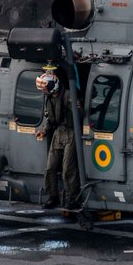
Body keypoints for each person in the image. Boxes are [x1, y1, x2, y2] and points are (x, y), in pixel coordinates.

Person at [35, 70, 79, 209]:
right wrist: (44, 131)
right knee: (50, 167)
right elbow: (51, 119)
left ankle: (72, 198)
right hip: (58, 133)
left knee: (68, 169)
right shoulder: (49, 98)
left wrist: (76, 106)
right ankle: (52, 196)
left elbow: (80, 113)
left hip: (70, 133)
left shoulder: (67, 96)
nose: (44, 91)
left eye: (46, 88)